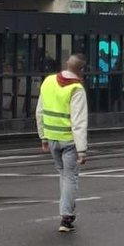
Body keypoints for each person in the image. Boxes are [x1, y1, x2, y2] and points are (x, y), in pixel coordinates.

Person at [37, 54, 89, 233]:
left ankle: (68, 212)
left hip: (52, 139)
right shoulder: (76, 89)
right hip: (69, 141)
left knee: (64, 175)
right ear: (81, 71)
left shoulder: (48, 81)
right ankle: (66, 217)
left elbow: (40, 111)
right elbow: (79, 122)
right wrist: (82, 151)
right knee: (70, 177)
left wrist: (43, 136)